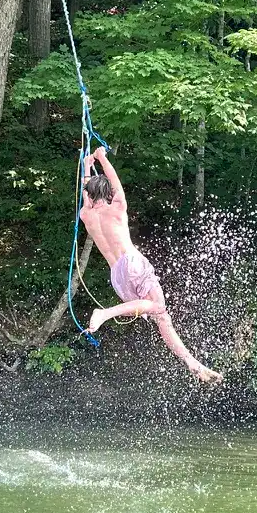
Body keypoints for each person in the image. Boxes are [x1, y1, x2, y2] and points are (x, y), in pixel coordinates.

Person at [80, 147, 223, 385]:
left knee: (161, 316)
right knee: (158, 306)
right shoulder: (117, 207)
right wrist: (102, 157)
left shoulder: (86, 214)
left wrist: (87, 165)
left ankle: (191, 363)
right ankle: (106, 313)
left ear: (89, 194)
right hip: (132, 263)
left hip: (116, 275)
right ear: (107, 194)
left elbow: (87, 191)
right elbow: (114, 181)